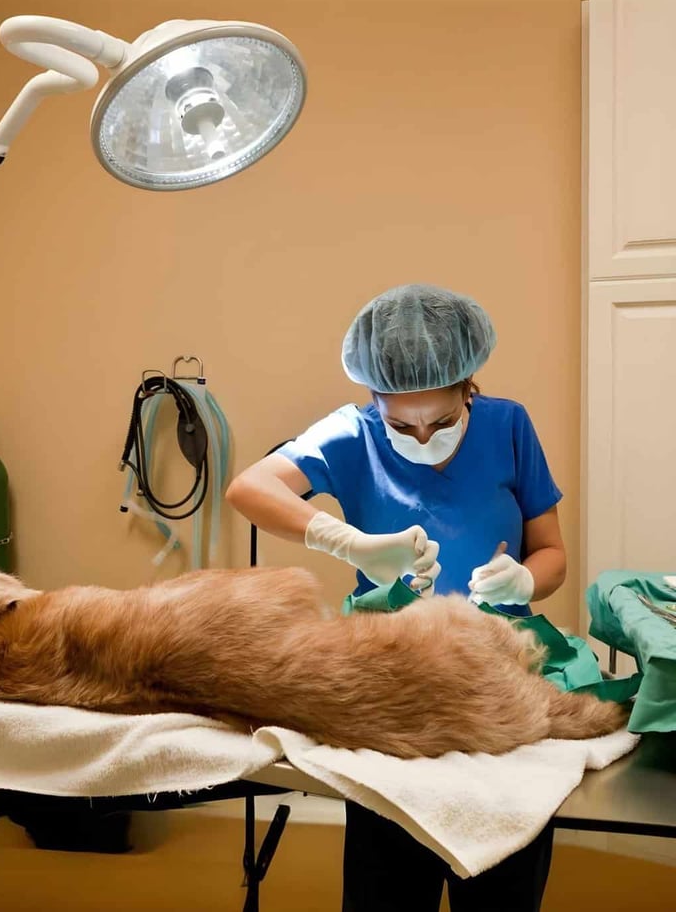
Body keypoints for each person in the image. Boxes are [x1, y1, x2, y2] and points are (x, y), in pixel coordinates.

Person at [225, 282, 566, 912]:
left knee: (499, 882)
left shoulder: (508, 425)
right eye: (399, 422)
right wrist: (344, 542)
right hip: (391, 680)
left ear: (470, 386)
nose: (420, 435)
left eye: (440, 420)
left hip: (499, 673)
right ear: (374, 397)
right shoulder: (351, 434)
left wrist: (525, 579)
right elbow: (248, 489)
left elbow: (552, 555)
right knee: (389, 880)